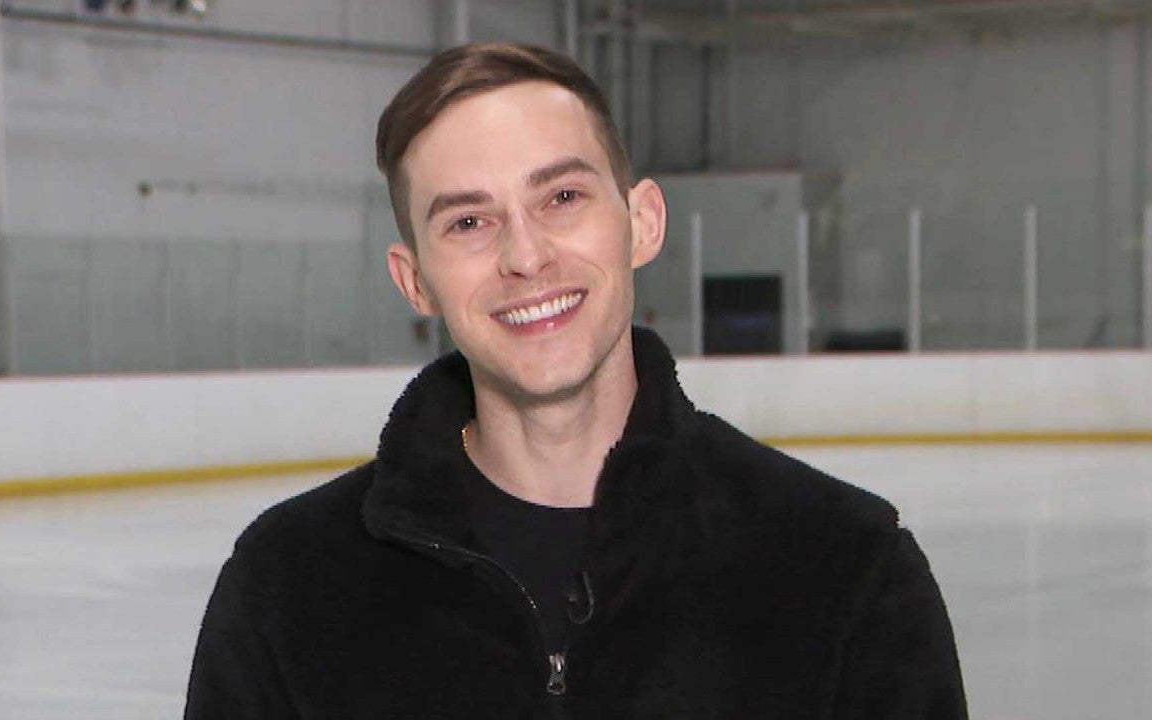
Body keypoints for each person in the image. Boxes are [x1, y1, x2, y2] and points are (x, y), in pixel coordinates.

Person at [184, 42, 966, 719]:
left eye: (561, 197)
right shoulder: (289, 589)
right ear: (414, 280)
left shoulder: (845, 567)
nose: (526, 257)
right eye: (468, 222)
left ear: (642, 222)